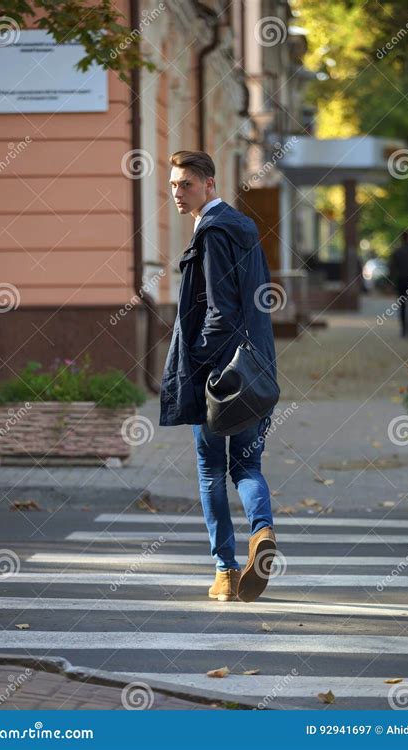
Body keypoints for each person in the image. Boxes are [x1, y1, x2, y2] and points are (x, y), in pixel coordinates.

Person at [159, 150, 278, 603]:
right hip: (255, 367)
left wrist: (200, 366)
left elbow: (219, 312)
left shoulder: (210, 232)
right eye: (172, 184)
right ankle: (262, 532)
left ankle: (225, 571)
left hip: (220, 378)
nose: (177, 192)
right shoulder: (245, 227)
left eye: (186, 184)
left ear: (209, 184)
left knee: (211, 469)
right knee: (247, 465)